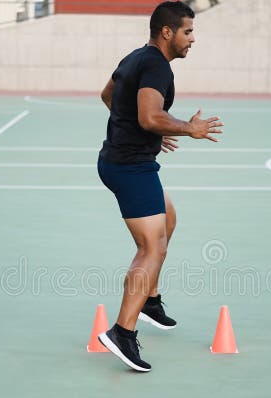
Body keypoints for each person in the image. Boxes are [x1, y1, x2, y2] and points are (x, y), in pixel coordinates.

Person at [96, 1, 224, 372]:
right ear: (167, 32)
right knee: (151, 248)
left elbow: (108, 95)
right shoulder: (155, 65)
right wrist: (187, 128)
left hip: (125, 161)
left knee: (167, 221)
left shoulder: (136, 57)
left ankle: (149, 299)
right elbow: (150, 115)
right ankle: (122, 331)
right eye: (188, 32)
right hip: (129, 167)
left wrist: (145, 128)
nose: (193, 39)